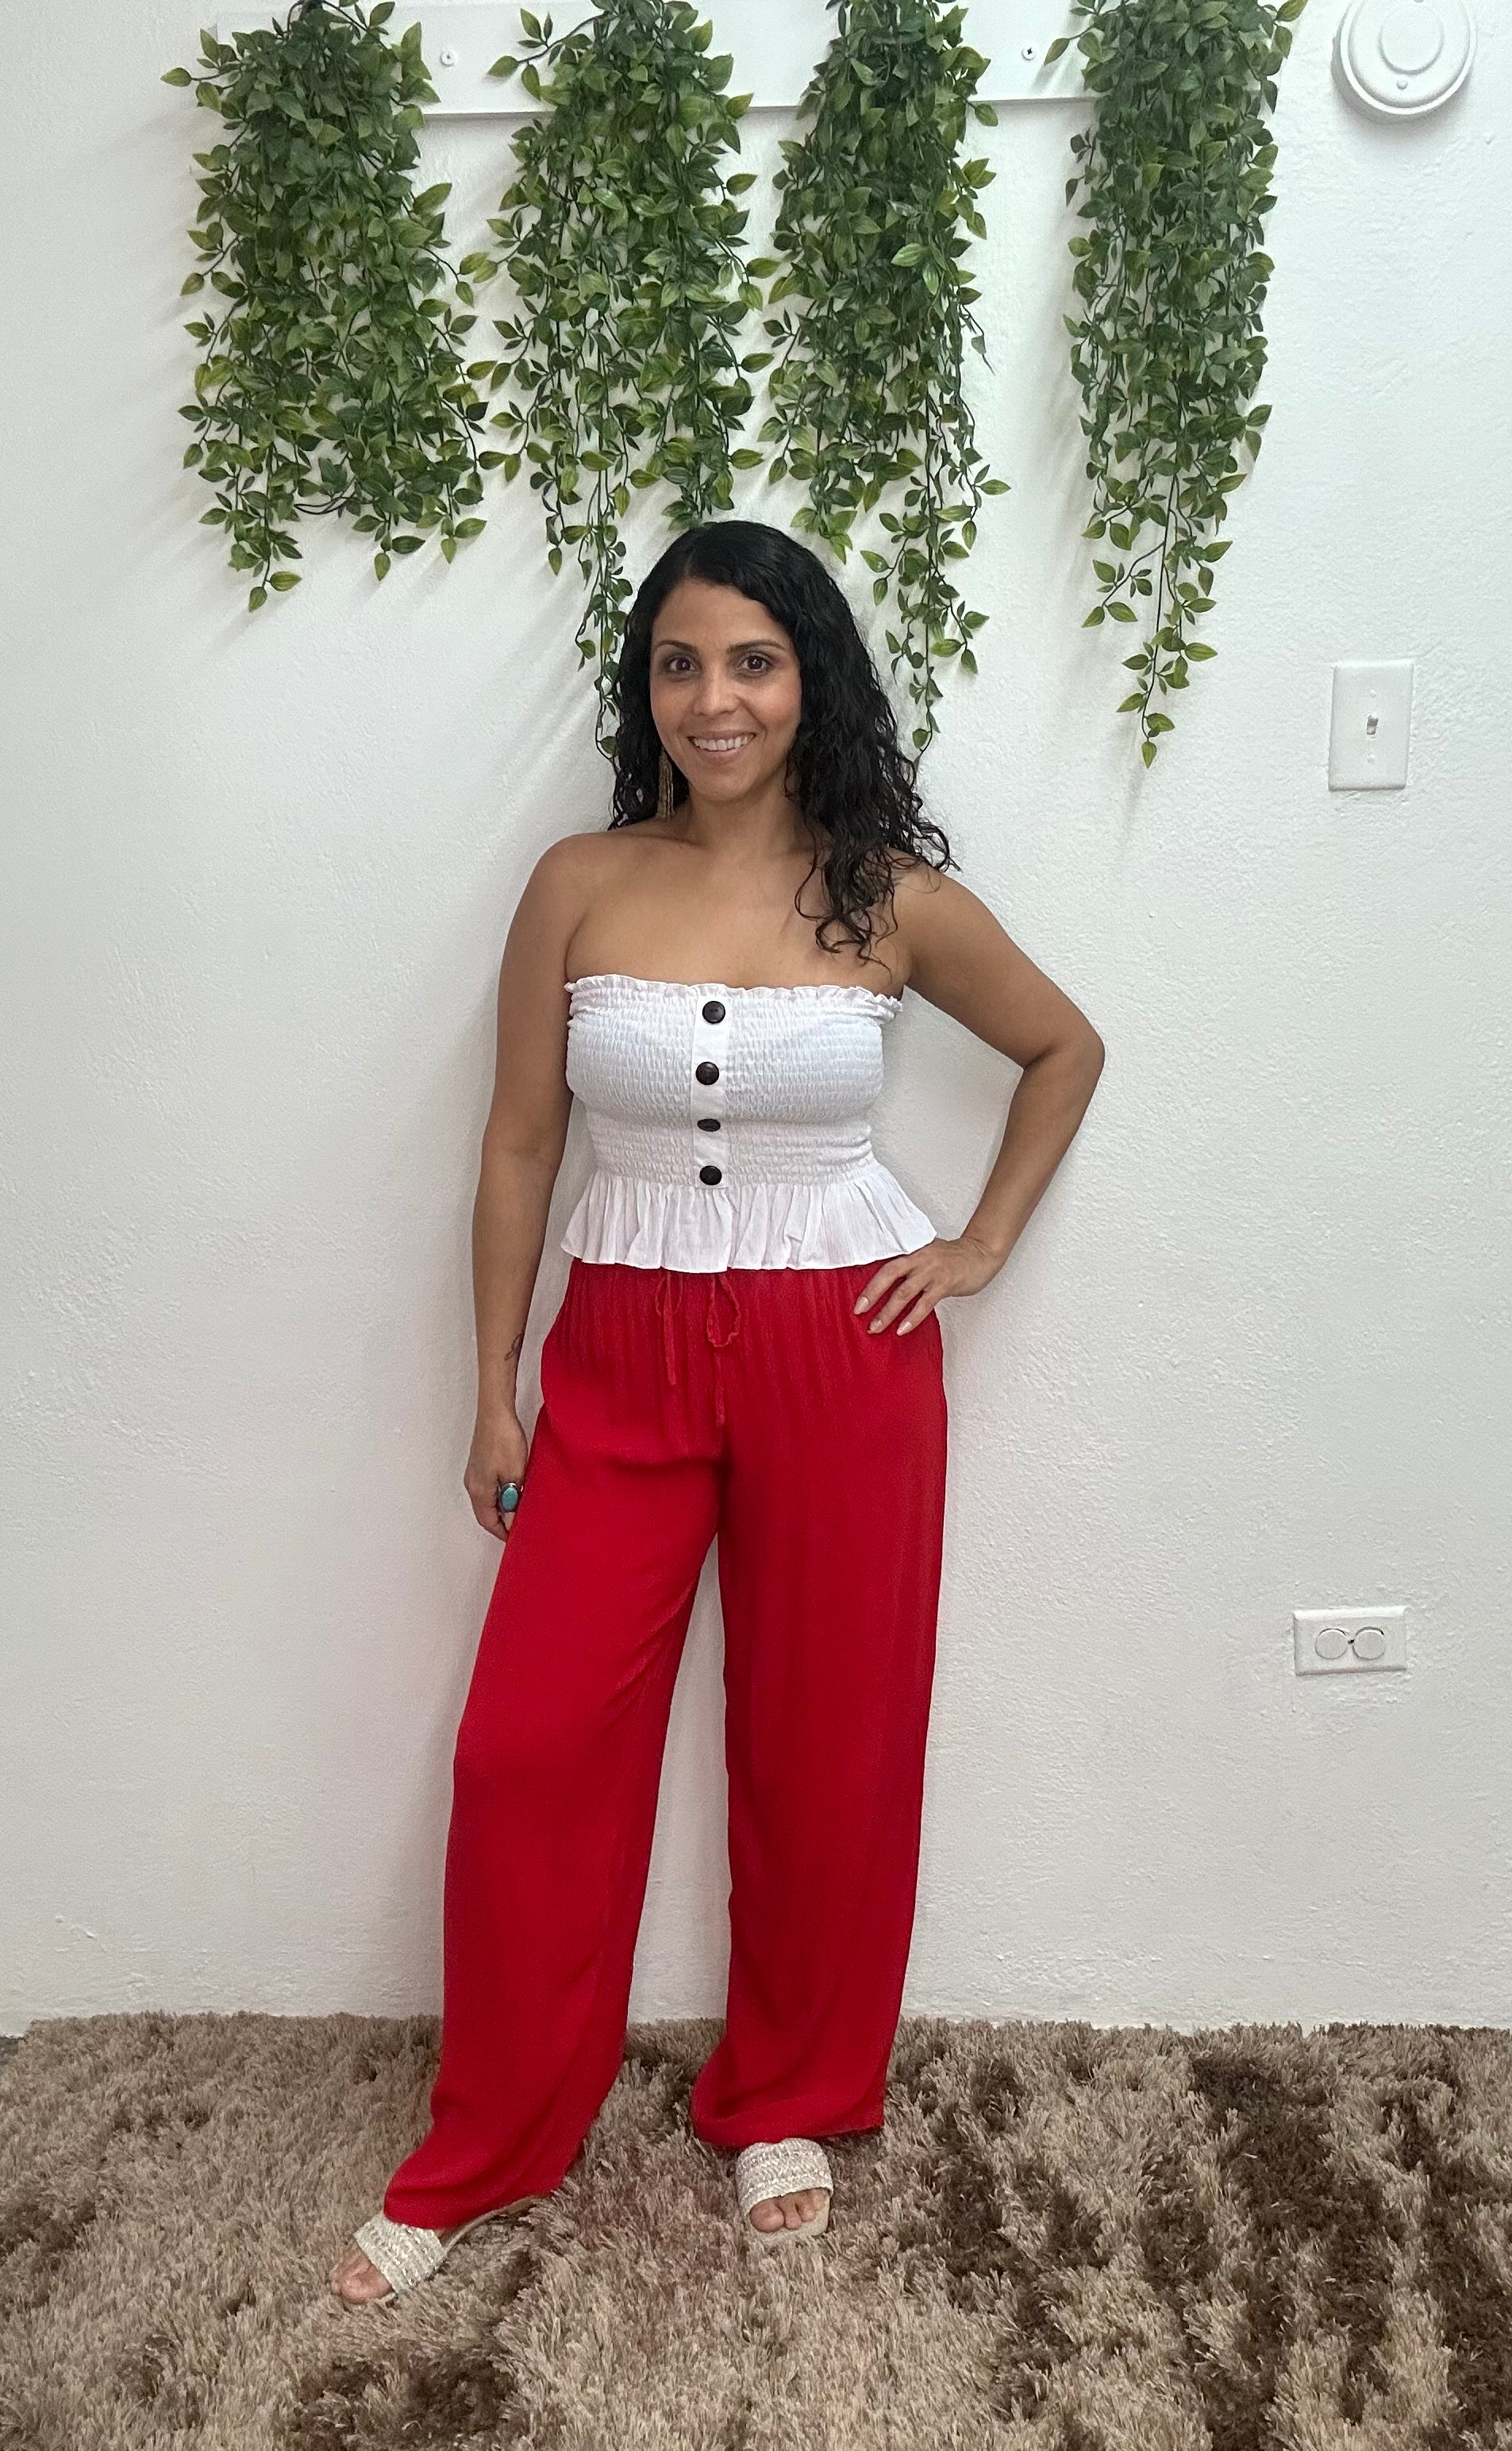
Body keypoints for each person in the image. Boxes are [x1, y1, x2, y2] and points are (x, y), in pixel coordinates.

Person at [330, 518, 1104, 2305]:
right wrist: (493, 1386)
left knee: (828, 1739)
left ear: (808, 677)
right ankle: (493, 2138)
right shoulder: (579, 880)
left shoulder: (885, 893)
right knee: (526, 1749)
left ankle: (786, 2099)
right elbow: (519, 1140)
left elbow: (1064, 1047)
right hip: (618, 1354)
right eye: (679, 663)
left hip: (843, 1348)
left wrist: (978, 1241)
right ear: (648, 691)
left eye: (752, 660)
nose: (715, 698)